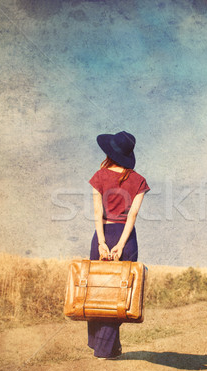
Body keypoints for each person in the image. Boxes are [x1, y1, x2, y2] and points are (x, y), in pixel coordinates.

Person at [87, 130, 149, 359]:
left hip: (103, 234)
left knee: (97, 292)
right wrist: (121, 245)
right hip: (126, 237)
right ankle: (109, 348)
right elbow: (132, 216)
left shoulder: (99, 176)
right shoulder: (139, 180)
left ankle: (101, 346)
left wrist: (102, 243)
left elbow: (97, 212)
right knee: (120, 295)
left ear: (110, 152)